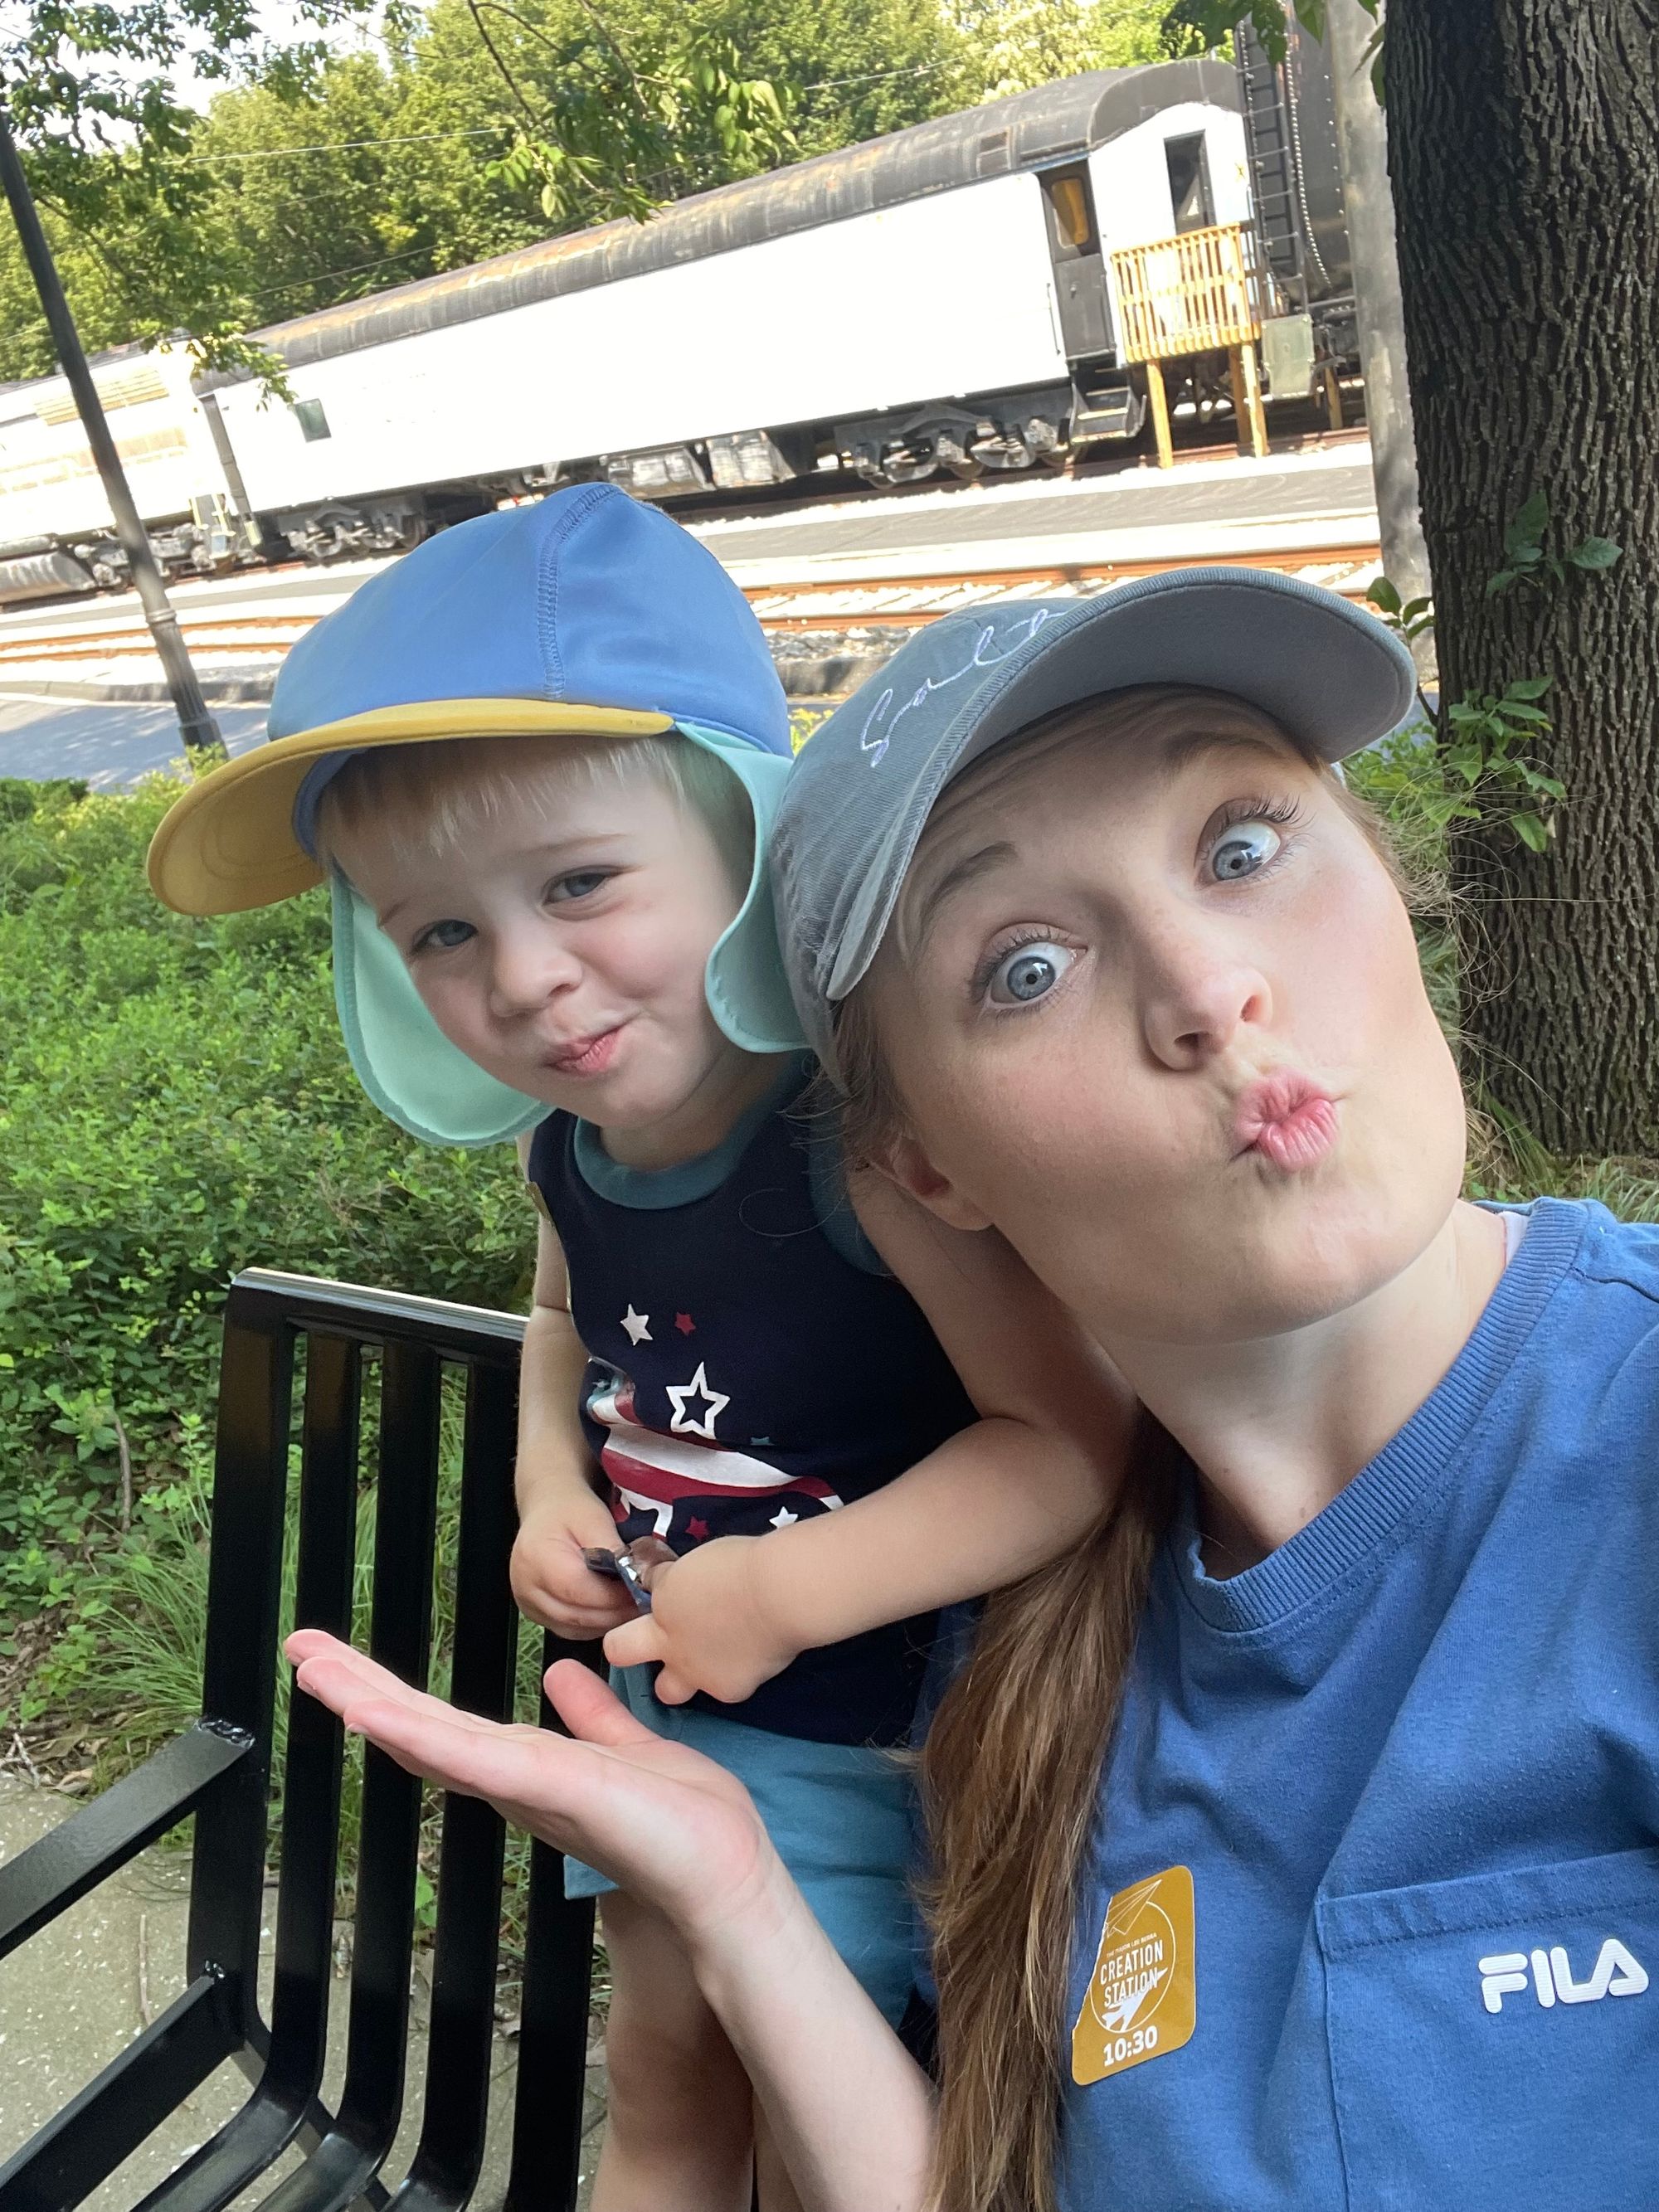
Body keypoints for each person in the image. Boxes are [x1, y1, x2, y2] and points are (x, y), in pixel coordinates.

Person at [289, 566, 1659, 2212]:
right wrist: (734, 1895)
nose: (1208, 986)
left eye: (1241, 844)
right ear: (921, 1167)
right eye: (1025, 965)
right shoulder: (1033, 1654)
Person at [148, 485, 1126, 2212]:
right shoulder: (572, 1153)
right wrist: (550, 1488)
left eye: (581, 882)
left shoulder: (857, 1148)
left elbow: (1065, 1442)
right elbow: (558, 1324)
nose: (527, 977)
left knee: (840, 2123)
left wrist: (787, 1590)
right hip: (684, 1718)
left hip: (892, 1746)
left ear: (743, 837)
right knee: (663, 2081)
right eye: (442, 932)